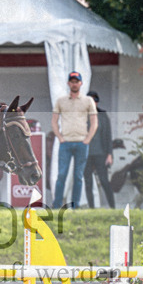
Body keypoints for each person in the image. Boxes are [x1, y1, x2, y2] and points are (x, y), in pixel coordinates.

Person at [51, 71, 97, 209]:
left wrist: (87, 139)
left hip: (82, 143)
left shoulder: (88, 101)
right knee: (61, 175)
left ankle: (75, 206)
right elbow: (54, 121)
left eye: (77, 81)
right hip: (65, 143)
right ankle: (57, 205)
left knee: (78, 176)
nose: (74, 84)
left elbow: (94, 122)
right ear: (68, 83)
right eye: (72, 81)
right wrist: (60, 137)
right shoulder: (61, 101)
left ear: (81, 83)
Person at [82, 90, 114, 209]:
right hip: (86, 154)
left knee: (104, 181)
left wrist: (109, 154)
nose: (93, 103)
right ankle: (91, 208)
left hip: (101, 153)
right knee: (88, 183)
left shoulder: (103, 115)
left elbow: (108, 135)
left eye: (95, 100)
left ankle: (113, 207)